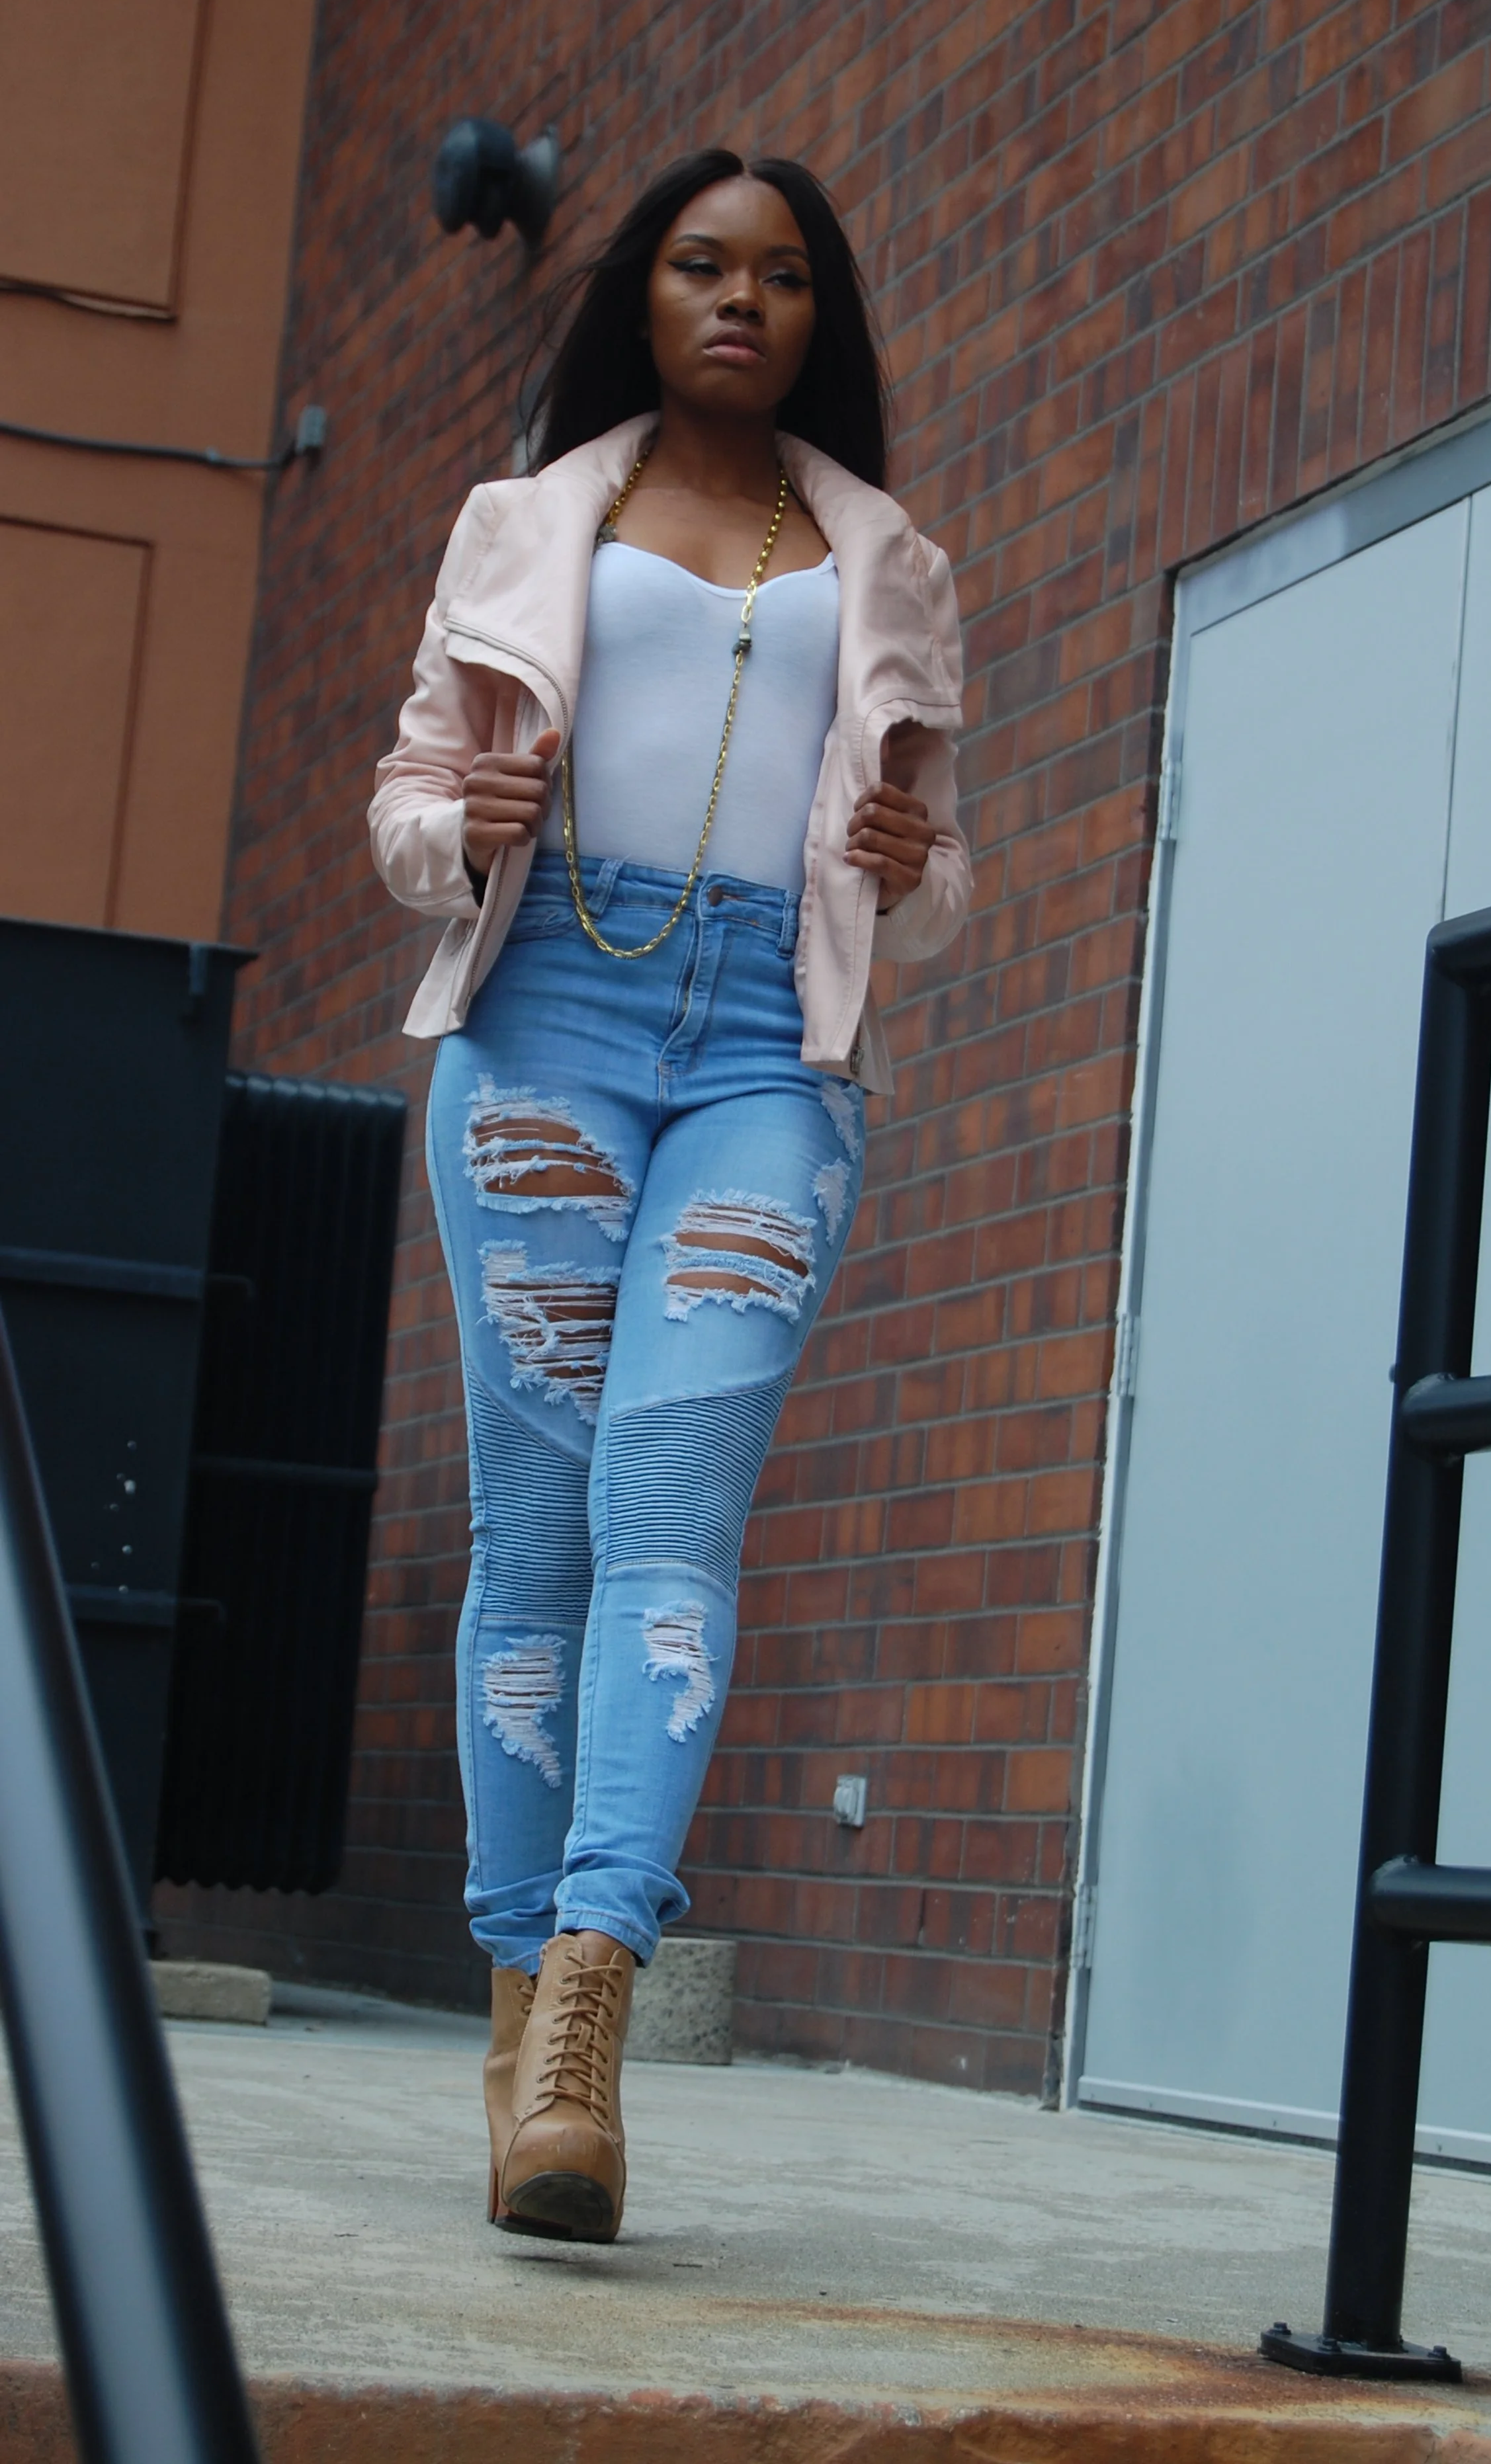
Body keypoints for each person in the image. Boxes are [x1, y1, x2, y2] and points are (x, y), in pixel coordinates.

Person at [369, 147, 969, 2242]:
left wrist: (917, 878)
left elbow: (931, 865)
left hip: (757, 1059)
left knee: (672, 1499)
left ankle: (590, 2020)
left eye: (785, 274)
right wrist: (469, 819)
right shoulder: (530, 520)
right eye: (705, 267)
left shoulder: (884, 556)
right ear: (640, 292)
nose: (742, 301)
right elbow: (406, 800)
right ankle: (518, 1979)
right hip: (545, 1020)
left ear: (822, 313)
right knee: (533, 1533)